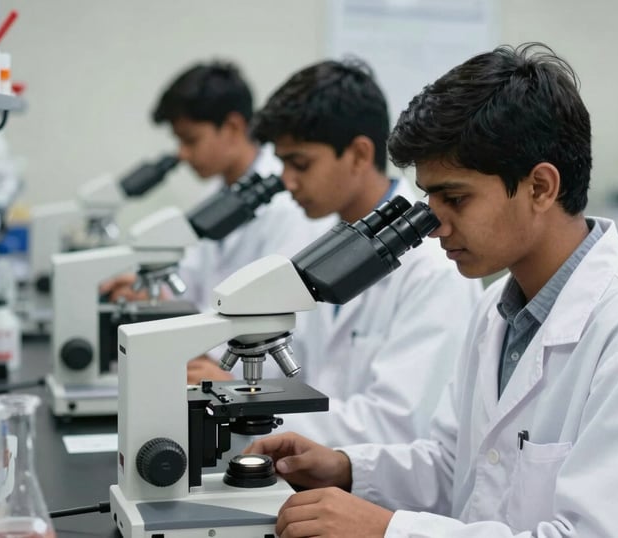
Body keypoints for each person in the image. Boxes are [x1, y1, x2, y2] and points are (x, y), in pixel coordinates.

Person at [247, 43, 618, 537]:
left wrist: (390, 530)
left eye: (455, 198)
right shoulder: (499, 308)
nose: (433, 226)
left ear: (540, 187)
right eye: (429, 199)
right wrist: (346, 467)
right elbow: (459, 466)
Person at [190, 58, 482, 446]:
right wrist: (224, 379)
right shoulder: (315, 244)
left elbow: (396, 425)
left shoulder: (433, 271)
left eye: (301, 164)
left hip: (371, 494)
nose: (288, 181)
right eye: (283, 164)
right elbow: (295, 368)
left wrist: (247, 402)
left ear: (359, 155)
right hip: (305, 472)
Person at [100, 62, 331, 362]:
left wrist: (213, 363)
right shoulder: (217, 193)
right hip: (211, 359)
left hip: (247, 369)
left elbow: (281, 322)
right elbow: (197, 286)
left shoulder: (290, 207)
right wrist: (154, 293)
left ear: (233, 127)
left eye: (190, 139)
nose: (182, 153)